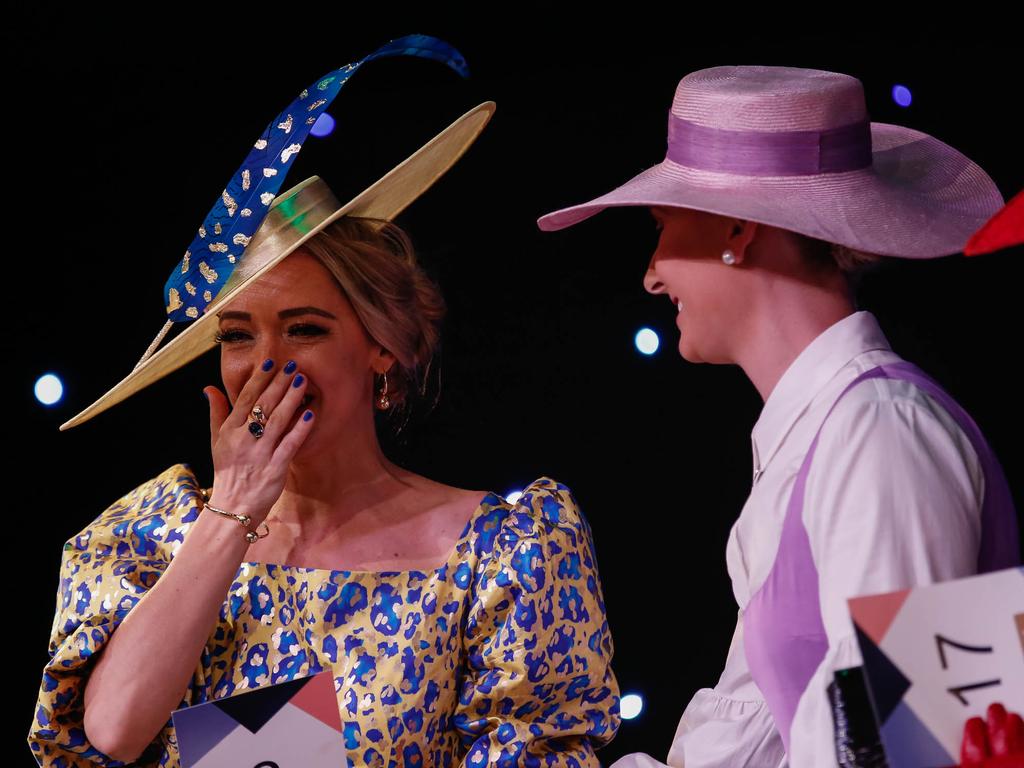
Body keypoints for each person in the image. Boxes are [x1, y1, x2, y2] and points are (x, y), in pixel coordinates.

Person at [29, 44, 620, 768]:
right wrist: (230, 514)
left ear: (382, 347)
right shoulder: (154, 535)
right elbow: (111, 733)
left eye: (305, 329)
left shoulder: (503, 553)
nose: (268, 363)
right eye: (238, 335)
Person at [537, 65, 1019, 767]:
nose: (651, 272)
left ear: (739, 228)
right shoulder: (821, 440)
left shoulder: (882, 433)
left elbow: (911, 748)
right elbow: (749, 741)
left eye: (661, 225)